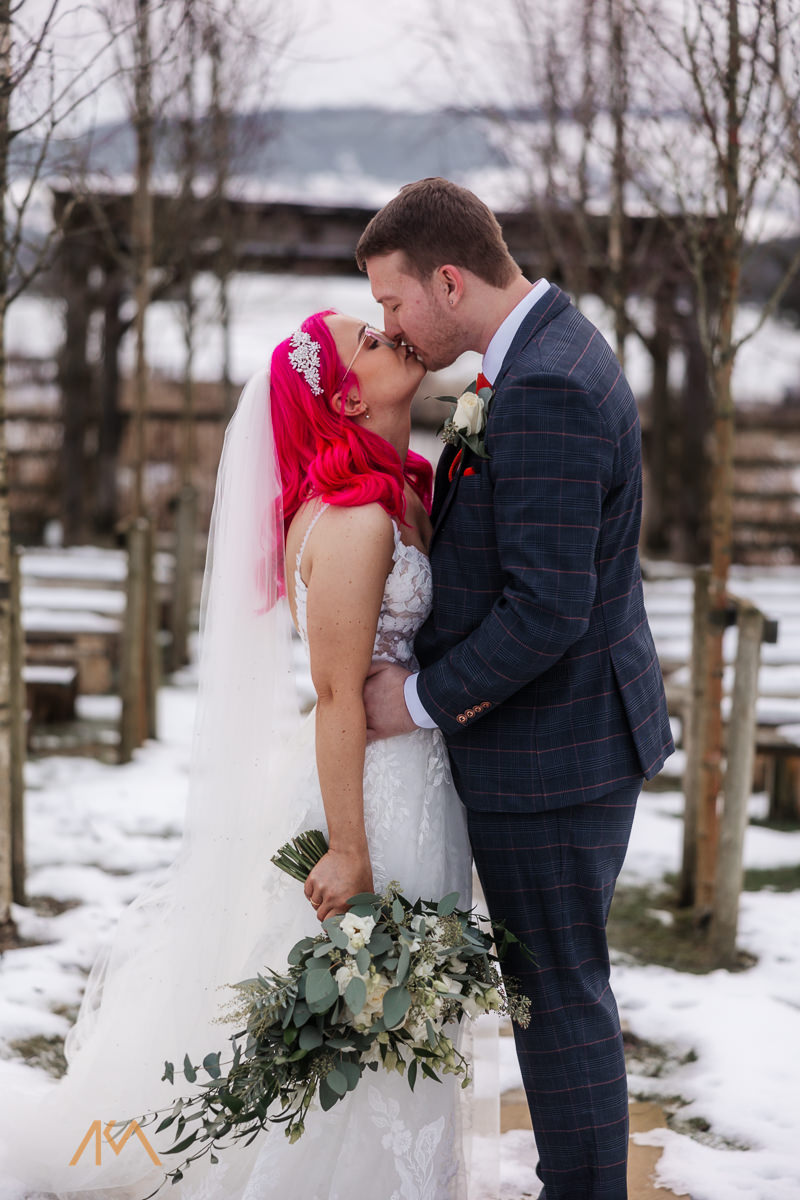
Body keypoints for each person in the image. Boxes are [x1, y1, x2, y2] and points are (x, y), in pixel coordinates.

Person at [0, 310, 475, 1199]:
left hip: (415, 780)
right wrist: (349, 850)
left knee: (404, 1021)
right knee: (363, 1024)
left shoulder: (406, 488)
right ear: (341, 393)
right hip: (367, 797)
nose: (389, 336)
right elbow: (338, 694)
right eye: (366, 341)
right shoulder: (353, 521)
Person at [357, 177, 675, 1200]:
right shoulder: (539, 352)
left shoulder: (539, 386)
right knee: (555, 984)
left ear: (448, 279)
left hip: (554, 749)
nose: (388, 326)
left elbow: (544, 610)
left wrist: (410, 701)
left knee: (557, 992)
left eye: (394, 302)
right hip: (564, 733)